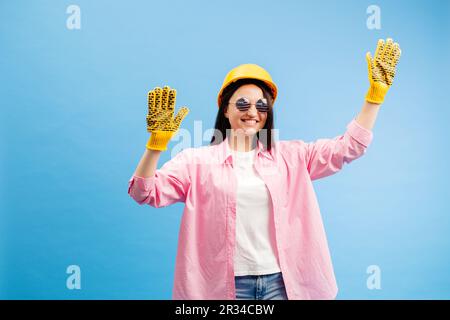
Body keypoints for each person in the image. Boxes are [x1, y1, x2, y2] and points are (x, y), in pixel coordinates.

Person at [128, 38, 401, 300]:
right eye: (243, 103)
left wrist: (374, 98)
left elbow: (349, 147)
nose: (253, 111)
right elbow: (144, 192)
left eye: (261, 105)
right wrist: (155, 147)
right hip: (221, 287)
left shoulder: (292, 156)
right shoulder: (195, 162)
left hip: (283, 284)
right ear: (225, 110)